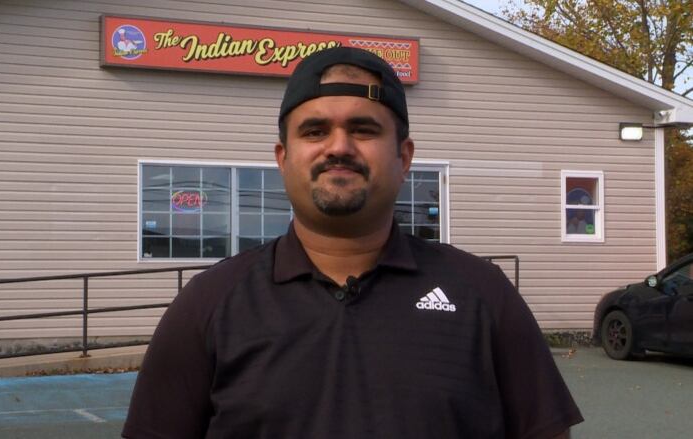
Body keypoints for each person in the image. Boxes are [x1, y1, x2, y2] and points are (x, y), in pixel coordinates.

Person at [122, 47, 583, 439]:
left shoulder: (484, 294)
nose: (338, 146)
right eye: (315, 130)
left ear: (404, 157)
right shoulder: (207, 305)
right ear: (283, 159)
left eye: (363, 130)